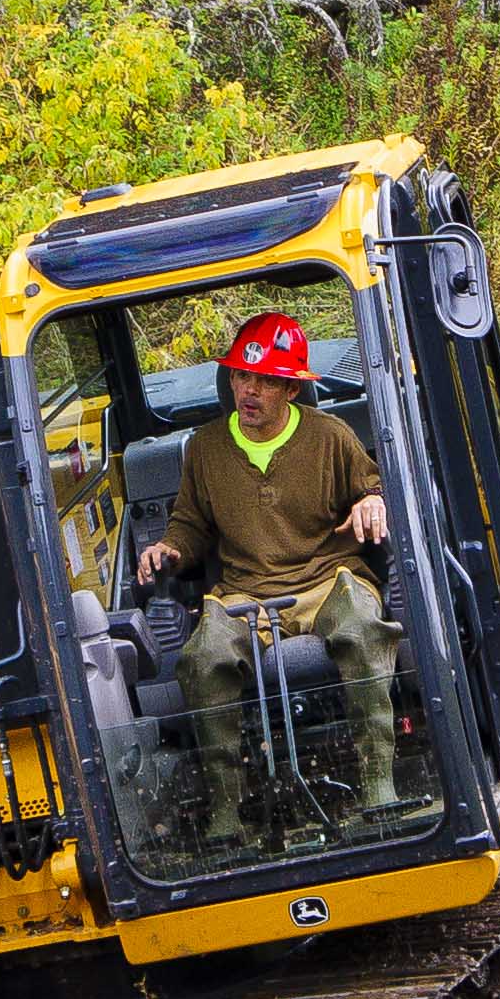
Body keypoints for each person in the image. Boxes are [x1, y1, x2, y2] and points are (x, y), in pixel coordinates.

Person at [136, 312, 402, 841]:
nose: (249, 390)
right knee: (203, 656)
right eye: (240, 376)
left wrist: (372, 501)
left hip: (329, 578)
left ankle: (379, 786)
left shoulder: (332, 437)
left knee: (365, 628)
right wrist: (170, 547)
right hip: (245, 594)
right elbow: (190, 524)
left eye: (264, 380)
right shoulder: (206, 448)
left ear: (290, 389)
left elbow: (372, 488)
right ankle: (228, 814)